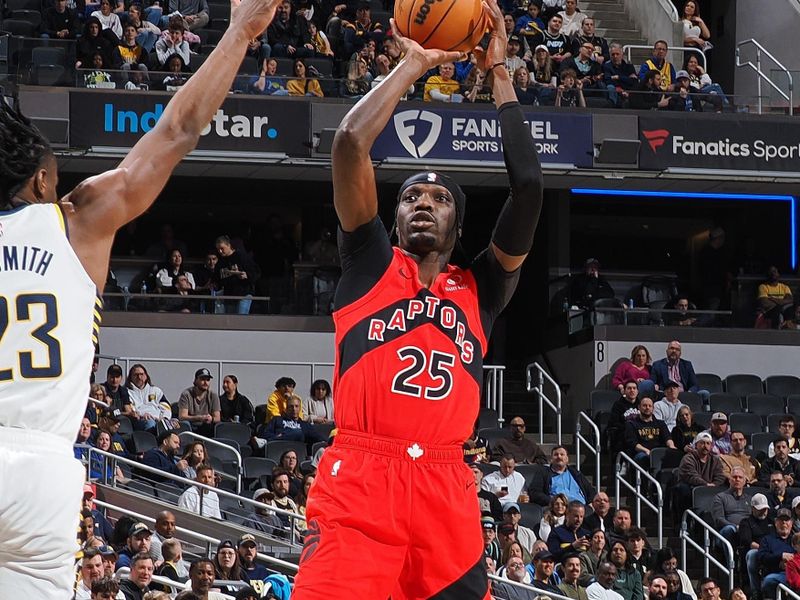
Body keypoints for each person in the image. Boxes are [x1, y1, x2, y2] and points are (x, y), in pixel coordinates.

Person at [293, 1, 543, 595]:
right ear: (395, 217)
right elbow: (351, 143)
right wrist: (413, 66)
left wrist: (500, 72)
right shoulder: (369, 263)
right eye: (409, 197)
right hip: (360, 475)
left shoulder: (480, 288)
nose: (422, 203)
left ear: (457, 222)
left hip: (445, 485)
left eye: (439, 197)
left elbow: (529, 189)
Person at [673, 432, 726, 522]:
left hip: (709, 487)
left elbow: (720, 476)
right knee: (683, 489)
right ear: (696, 445)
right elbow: (691, 476)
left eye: (708, 443)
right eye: (702, 443)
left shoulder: (715, 460)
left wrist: (714, 484)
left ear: (711, 446)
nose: (705, 446)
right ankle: (684, 523)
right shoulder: (688, 458)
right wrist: (706, 484)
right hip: (691, 486)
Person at [528, 445, 596, 506]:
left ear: (567, 459)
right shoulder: (543, 473)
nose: (559, 456)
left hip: (581, 508)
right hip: (559, 508)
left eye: (562, 454)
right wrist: (553, 502)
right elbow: (535, 493)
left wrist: (591, 503)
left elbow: (590, 490)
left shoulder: (575, 473)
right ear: (551, 459)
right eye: (556, 455)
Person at [214, 235, 262, 314]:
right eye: (218, 249)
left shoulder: (241, 257)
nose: (220, 251)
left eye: (222, 248)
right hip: (229, 296)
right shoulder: (220, 263)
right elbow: (217, 279)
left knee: (240, 319)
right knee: (230, 321)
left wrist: (246, 275)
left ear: (229, 245)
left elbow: (256, 272)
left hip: (243, 294)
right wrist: (215, 284)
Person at [624, 396, 675, 469]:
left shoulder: (660, 423)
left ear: (653, 408)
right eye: (644, 406)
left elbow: (667, 438)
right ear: (639, 407)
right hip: (641, 453)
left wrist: (672, 447)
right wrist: (646, 451)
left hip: (658, 452)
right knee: (644, 458)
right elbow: (633, 444)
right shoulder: (631, 424)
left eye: (649, 406)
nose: (647, 408)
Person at [711, 466, 753, 548]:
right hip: (725, 533)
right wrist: (736, 527)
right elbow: (719, 519)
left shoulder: (750, 499)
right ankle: (731, 560)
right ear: (730, 480)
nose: (737, 479)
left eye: (740, 477)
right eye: (734, 477)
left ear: (744, 481)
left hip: (746, 532)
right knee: (729, 529)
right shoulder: (720, 497)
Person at [758, 508, 796, 598]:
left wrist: (790, 564)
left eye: (786, 520)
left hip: (794, 573)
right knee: (769, 580)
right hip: (775, 574)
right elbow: (762, 557)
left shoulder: (796, 539)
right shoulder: (767, 539)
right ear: (775, 522)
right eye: (781, 520)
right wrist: (781, 556)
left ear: (791, 523)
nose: (784, 523)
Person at [125, 363, 172, 432]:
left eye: (141, 374)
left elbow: (166, 407)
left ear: (146, 376)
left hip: (159, 419)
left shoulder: (156, 390)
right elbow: (131, 410)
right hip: (141, 421)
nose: (139, 377)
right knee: (150, 423)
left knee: (180, 424)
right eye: (136, 375)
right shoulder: (127, 392)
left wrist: (164, 418)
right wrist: (142, 415)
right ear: (130, 377)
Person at [178, 368, 221, 436]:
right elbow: (182, 416)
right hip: (191, 425)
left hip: (206, 426)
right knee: (185, 424)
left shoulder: (213, 395)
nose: (205, 382)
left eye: (208, 380)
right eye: (202, 379)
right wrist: (199, 418)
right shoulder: (186, 394)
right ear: (195, 380)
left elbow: (217, 418)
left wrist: (211, 419)